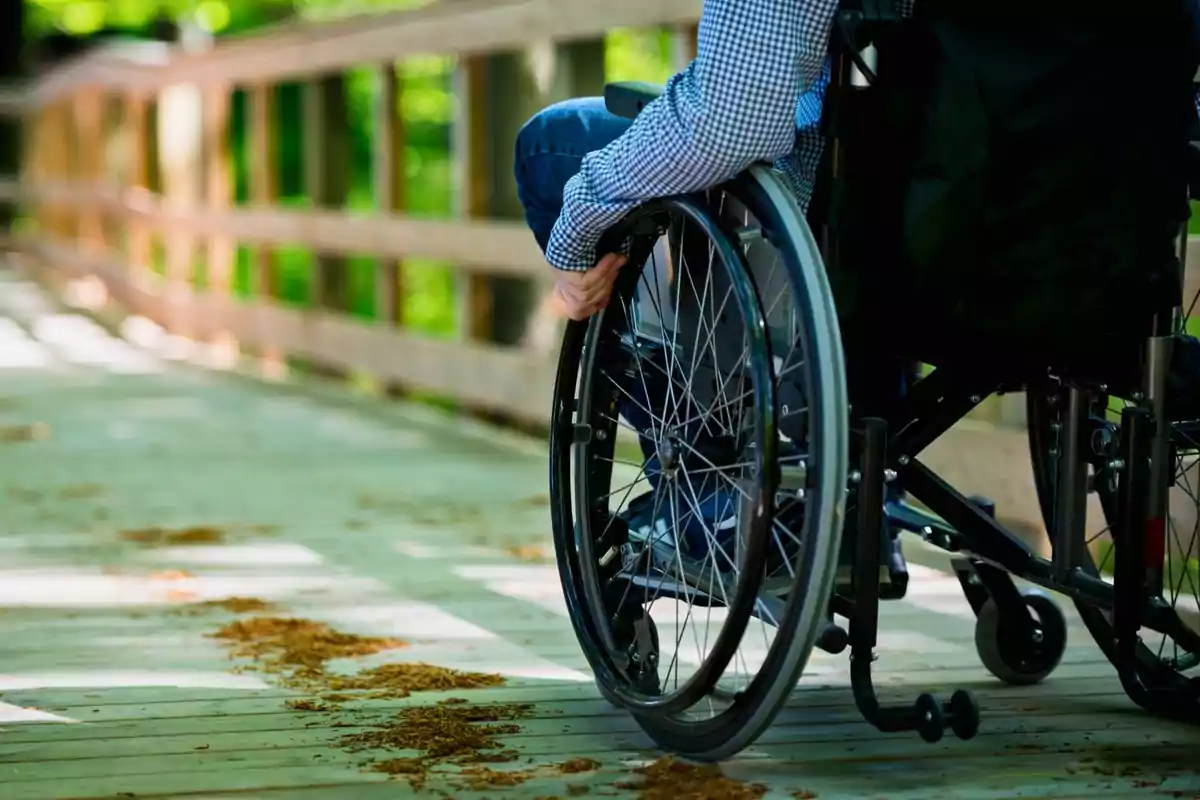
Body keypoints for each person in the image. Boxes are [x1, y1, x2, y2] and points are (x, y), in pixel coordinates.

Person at [514, 0, 1200, 573]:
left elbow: (730, 120)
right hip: (1096, 256)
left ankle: (723, 492)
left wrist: (580, 221)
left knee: (552, 147)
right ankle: (800, 485)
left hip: (910, 244)